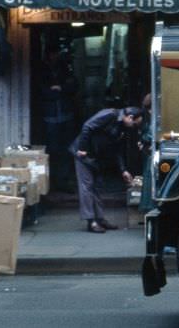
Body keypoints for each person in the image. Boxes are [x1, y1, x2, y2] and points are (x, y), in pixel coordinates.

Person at [70, 106, 143, 233]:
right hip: (85, 154)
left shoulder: (122, 128)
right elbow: (87, 126)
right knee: (87, 186)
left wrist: (123, 170)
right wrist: (82, 149)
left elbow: (117, 150)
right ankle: (91, 221)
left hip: (98, 157)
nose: (134, 127)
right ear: (130, 117)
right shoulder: (110, 114)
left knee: (97, 186)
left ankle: (100, 218)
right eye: (135, 124)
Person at [39, 47, 78, 193]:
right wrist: (57, 92)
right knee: (52, 150)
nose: (55, 56)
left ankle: (65, 181)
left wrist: (60, 88)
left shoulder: (65, 68)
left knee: (67, 149)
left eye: (56, 53)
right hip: (50, 117)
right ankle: (53, 182)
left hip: (66, 115)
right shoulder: (42, 70)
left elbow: (74, 86)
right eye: (52, 53)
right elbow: (41, 91)